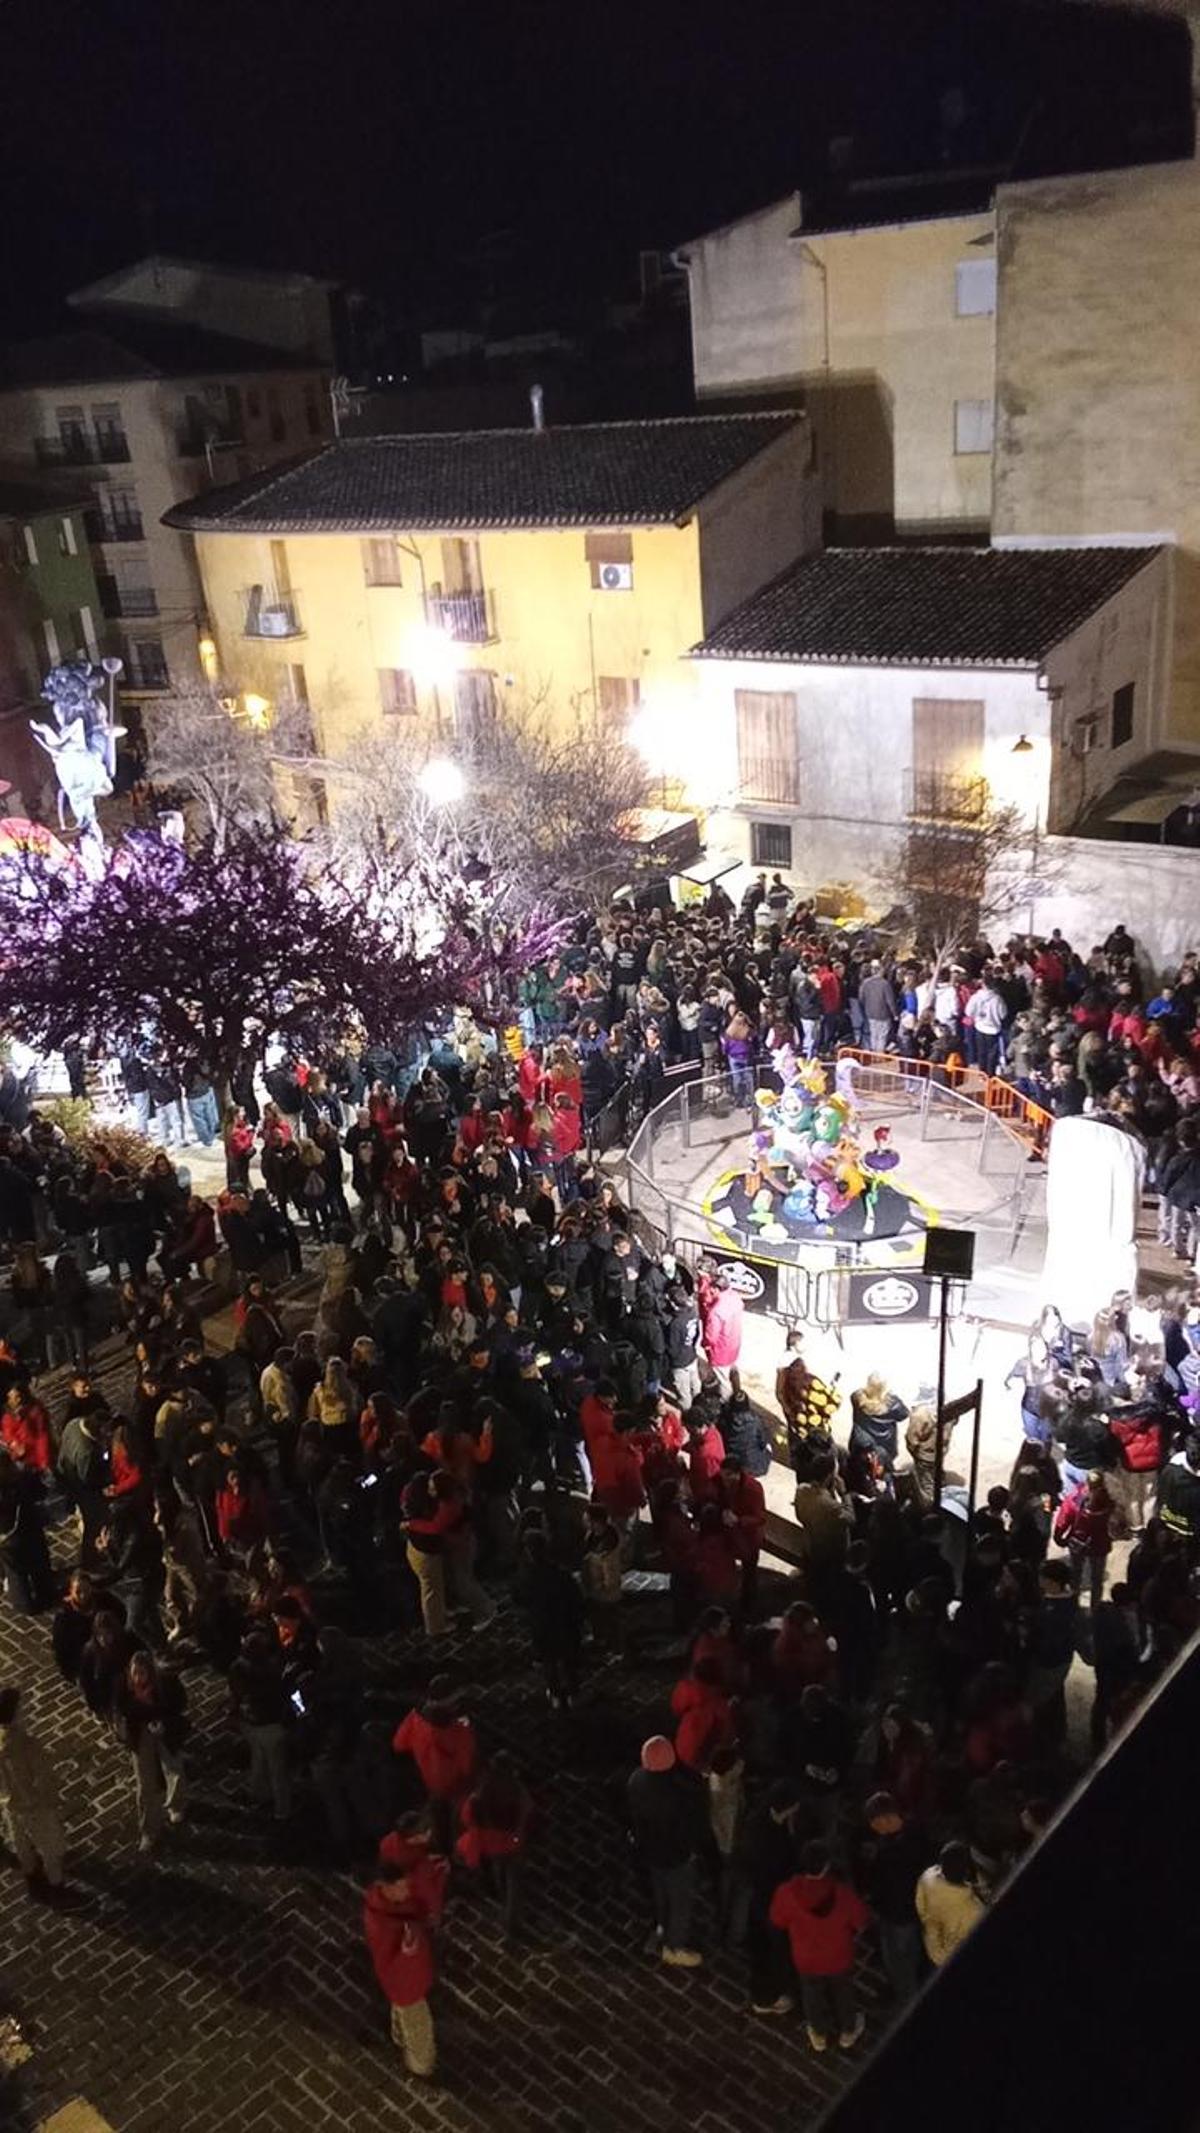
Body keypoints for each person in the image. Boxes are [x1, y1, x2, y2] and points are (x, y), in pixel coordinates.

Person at [769, 1840, 869, 2053]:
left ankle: (819, 2033)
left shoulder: (787, 1892)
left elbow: (778, 1920)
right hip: (838, 1957)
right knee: (843, 1992)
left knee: (811, 1994)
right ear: (827, 1865)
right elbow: (860, 1921)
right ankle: (848, 2030)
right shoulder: (842, 1894)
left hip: (806, 1959)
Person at [363, 1831, 449, 2079]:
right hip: (405, 1981)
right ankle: (421, 2064)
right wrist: (409, 1950)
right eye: (401, 1887)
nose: (407, 1890)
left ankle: (399, 2035)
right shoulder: (382, 1922)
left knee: (401, 2009)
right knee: (419, 2024)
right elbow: (390, 1956)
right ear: (385, 1887)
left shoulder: (389, 1906)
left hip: (400, 1979)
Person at [627, 1735, 708, 1968]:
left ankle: (661, 1925)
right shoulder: (677, 1795)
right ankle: (674, 1946)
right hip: (676, 1857)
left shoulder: (636, 1780)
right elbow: (692, 1827)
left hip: (650, 1852)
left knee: (660, 1889)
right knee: (681, 1902)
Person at [392, 1677, 478, 1857]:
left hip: (430, 1783)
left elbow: (399, 1743)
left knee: (439, 1823)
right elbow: (466, 1766)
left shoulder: (416, 1718)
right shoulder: (459, 1730)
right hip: (456, 1787)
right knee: (459, 1824)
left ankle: (441, 1854)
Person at [855, 1792, 928, 2005]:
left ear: (886, 1819)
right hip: (912, 1908)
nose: (873, 1829)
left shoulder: (891, 1855)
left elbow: (884, 1886)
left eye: (875, 1824)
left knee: (898, 1958)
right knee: (909, 1953)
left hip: (897, 1914)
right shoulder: (916, 1830)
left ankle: (906, 1997)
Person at [114, 1651, 189, 1852]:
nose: (138, 1678)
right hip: (140, 1734)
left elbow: (179, 1704)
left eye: (142, 1673)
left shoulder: (165, 1684)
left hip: (164, 1728)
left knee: (174, 1768)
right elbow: (121, 1711)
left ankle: (176, 1804)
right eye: (135, 1674)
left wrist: (164, 1723)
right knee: (145, 1784)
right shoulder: (124, 1687)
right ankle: (149, 1830)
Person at [0, 1684, 66, 1896]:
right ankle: (57, 1886)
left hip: (10, 1805)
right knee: (50, 1847)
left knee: (21, 1845)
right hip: (33, 1806)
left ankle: (32, 1878)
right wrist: (50, 1800)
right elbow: (43, 1779)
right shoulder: (28, 1745)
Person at [915, 1839, 985, 1967]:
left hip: (932, 1951)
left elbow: (921, 1907)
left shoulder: (928, 1876)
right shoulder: (972, 1912)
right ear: (967, 1871)